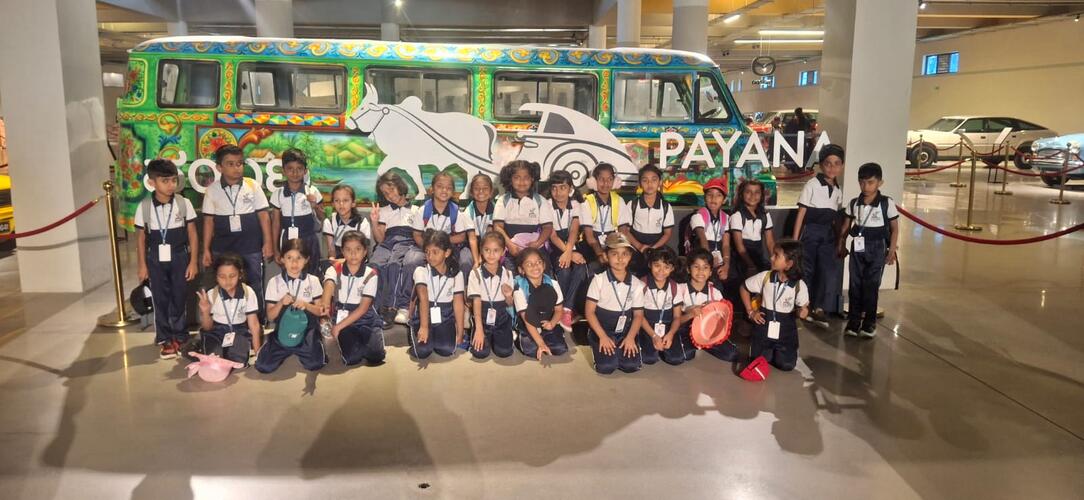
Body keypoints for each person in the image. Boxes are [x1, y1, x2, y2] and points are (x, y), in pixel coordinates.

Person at [201, 144, 273, 322]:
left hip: (250, 246)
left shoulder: (252, 185)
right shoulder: (212, 190)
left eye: (239, 163)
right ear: (219, 167)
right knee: (225, 283)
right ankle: (227, 322)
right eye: (230, 164)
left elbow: (264, 216)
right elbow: (208, 222)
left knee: (254, 283)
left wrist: (268, 242)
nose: (236, 168)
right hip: (222, 247)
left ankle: (257, 322)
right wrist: (207, 249)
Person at [135, 158, 198, 359]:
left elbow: (192, 234)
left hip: (180, 255)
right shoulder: (144, 206)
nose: (171, 185)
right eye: (165, 181)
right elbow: (141, 238)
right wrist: (142, 265)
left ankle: (180, 335)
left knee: (179, 296)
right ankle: (164, 338)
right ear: (151, 182)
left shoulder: (183, 203)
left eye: (173, 180)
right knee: (160, 298)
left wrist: (193, 261)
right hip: (155, 258)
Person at [837, 162, 899, 338]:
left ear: (880, 182)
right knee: (855, 284)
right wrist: (841, 244)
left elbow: (895, 228)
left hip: (877, 247)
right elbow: (845, 227)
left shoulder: (886, 203)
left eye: (870, 182)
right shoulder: (854, 203)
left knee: (871, 285)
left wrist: (891, 250)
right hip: (858, 247)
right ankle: (854, 321)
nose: (866, 187)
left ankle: (869, 323)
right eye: (862, 182)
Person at [255, 238, 328, 373]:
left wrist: (306, 305)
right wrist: (281, 303)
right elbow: (270, 316)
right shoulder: (274, 282)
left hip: (307, 330)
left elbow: (320, 311)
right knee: (263, 366)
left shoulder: (313, 280)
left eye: (299, 258)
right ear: (282, 259)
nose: (294, 263)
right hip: (283, 330)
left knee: (315, 364)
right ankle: (273, 342)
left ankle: (314, 342)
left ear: (306, 260)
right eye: (289, 258)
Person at [793, 144, 845, 327]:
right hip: (810, 232)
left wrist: (839, 240)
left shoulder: (838, 190)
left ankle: (820, 308)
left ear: (842, 166)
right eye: (828, 163)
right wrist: (795, 240)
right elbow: (801, 214)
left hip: (827, 235)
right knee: (807, 270)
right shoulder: (812, 185)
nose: (832, 167)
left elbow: (836, 219)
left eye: (837, 163)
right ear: (821, 165)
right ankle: (804, 306)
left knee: (827, 270)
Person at [740, 239, 809, 371]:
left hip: (786, 331)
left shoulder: (799, 285)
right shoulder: (765, 277)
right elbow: (744, 287)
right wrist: (751, 311)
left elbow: (803, 308)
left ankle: (780, 352)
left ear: (789, 264)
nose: (771, 258)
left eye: (776, 255)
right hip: (763, 327)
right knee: (757, 363)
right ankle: (766, 351)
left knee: (786, 365)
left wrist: (803, 312)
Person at [585, 233, 646, 374]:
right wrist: (602, 336)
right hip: (602, 330)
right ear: (606, 256)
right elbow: (589, 312)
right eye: (614, 254)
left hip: (625, 332)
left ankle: (622, 347)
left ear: (630, 256)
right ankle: (595, 341)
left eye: (625, 254)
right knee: (607, 367)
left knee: (631, 366)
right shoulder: (599, 280)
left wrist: (630, 337)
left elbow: (638, 315)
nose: (620, 258)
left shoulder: (637, 284)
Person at [322, 231, 384, 366]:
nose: (353, 254)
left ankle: (373, 333)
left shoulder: (371, 274)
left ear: (365, 251)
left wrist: (337, 328)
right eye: (348, 250)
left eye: (358, 249)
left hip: (365, 317)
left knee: (376, 356)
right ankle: (351, 341)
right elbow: (329, 284)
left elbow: (363, 309)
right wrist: (325, 305)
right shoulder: (334, 269)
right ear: (342, 252)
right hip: (343, 317)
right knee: (352, 358)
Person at [195, 253, 262, 367]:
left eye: (232, 275)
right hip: (216, 331)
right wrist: (205, 312)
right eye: (222, 276)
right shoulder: (211, 294)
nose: (227, 280)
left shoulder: (248, 292)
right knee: (214, 359)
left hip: (239, 331)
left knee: (239, 360)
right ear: (216, 276)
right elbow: (207, 327)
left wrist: (258, 353)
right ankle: (200, 348)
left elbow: (254, 325)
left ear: (240, 274)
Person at [408, 230, 465, 360]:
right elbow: (423, 298)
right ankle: (421, 335)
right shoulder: (421, 271)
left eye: (435, 252)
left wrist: (460, 331)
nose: (430, 256)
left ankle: (437, 337)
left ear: (447, 253)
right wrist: (424, 327)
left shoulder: (457, 275)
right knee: (422, 351)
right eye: (427, 252)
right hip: (424, 316)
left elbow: (458, 304)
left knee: (447, 349)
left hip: (445, 317)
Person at [369, 171, 417, 327]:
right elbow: (380, 239)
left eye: (391, 189)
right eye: (385, 193)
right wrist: (374, 222)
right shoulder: (384, 211)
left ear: (400, 186)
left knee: (394, 264)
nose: (389, 195)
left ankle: (392, 307)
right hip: (387, 242)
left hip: (406, 241)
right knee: (374, 265)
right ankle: (374, 308)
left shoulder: (416, 209)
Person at [546, 170, 588, 333]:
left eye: (563, 187)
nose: (558, 192)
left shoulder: (576, 204)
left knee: (581, 267)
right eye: (554, 188)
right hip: (554, 246)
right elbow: (552, 235)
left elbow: (574, 230)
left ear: (570, 188)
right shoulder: (546, 205)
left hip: (570, 244)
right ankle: (560, 307)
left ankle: (567, 309)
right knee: (563, 270)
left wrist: (570, 251)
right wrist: (567, 253)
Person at [409, 172, 473, 274]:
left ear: (453, 192)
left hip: (449, 247)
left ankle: (462, 284)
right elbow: (417, 234)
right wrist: (429, 248)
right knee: (411, 261)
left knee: (466, 261)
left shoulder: (456, 212)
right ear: (432, 189)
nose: (444, 190)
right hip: (426, 246)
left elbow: (461, 236)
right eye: (440, 186)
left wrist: (440, 245)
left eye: (449, 188)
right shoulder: (422, 211)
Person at [270, 148, 322, 274]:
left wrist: (314, 206)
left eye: (299, 168)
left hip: (309, 240)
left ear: (305, 171)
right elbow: (275, 224)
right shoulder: (278, 194)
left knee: (312, 275)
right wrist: (275, 250)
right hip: (287, 240)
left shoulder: (312, 191)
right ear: (283, 170)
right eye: (290, 168)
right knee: (290, 274)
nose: (295, 172)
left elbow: (323, 218)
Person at [493, 160, 553, 267]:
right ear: (510, 179)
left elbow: (547, 227)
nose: (522, 182)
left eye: (526, 177)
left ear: (532, 179)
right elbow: (497, 226)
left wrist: (537, 243)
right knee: (510, 274)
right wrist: (510, 245)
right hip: (511, 249)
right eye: (517, 177)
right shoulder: (503, 201)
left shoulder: (540, 201)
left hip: (535, 248)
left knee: (542, 273)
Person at [512, 247, 569, 360]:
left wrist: (552, 323)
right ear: (521, 270)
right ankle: (518, 336)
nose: (535, 266)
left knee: (560, 349)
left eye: (538, 262)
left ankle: (548, 336)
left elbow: (558, 310)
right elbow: (527, 320)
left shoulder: (553, 284)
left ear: (544, 264)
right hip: (528, 323)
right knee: (531, 350)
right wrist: (541, 344)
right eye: (529, 264)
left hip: (546, 321)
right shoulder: (519, 288)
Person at [466, 232, 516, 359]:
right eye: (487, 250)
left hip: (502, 319)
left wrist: (508, 296)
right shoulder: (475, 274)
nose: (491, 254)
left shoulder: (508, 274)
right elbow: (476, 301)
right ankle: (480, 333)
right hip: (482, 319)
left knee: (504, 352)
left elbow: (510, 304)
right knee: (480, 353)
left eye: (496, 250)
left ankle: (504, 335)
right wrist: (479, 329)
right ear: (481, 251)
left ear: (503, 251)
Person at [674, 249, 728, 364]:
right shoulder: (679, 289)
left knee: (731, 354)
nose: (701, 271)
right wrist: (690, 314)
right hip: (685, 330)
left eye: (705, 267)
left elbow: (722, 321)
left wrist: (713, 310)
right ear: (688, 269)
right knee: (683, 356)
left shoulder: (715, 293)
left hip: (708, 332)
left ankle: (704, 344)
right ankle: (695, 345)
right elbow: (675, 320)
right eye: (696, 267)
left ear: (711, 271)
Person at [622, 164, 675, 277]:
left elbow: (667, 233)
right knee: (635, 275)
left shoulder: (665, 206)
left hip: (657, 247)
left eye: (654, 180)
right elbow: (625, 231)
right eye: (645, 180)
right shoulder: (632, 204)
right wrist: (639, 246)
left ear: (660, 182)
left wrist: (653, 249)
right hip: (635, 247)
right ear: (640, 183)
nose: (649, 184)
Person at [581, 163, 631, 274]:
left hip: (614, 240)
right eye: (601, 179)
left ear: (615, 181)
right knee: (594, 266)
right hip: (592, 244)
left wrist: (615, 250)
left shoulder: (619, 200)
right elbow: (590, 237)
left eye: (610, 179)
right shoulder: (587, 202)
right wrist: (600, 253)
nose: (606, 183)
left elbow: (623, 231)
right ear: (594, 181)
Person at [638, 247, 683, 366]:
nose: (661, 271)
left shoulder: (675, 287)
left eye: (666, 267)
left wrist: (671, 334)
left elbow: (677, 317)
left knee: (676, 359)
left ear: (672, 268)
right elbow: (639, 316)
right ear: (650, 264)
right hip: (647, 327)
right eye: (657, 265)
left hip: (667, 327)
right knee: (649, 359)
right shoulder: (641, 285)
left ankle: (664, 349)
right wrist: (653, 335)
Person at [729, 178, 775, 280]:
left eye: (757, 192)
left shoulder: (765, 214)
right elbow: (739, 246)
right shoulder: (737, 215)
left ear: (762, 195)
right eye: (748, 192)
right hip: (741, 259)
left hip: (759, 257)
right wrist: (751, 266)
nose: (753, 196)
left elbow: (770, 242)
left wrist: (774, 260)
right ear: (742, 194)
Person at [688, 177, 731, 283]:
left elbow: (726, 244)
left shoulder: (726, 218)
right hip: (702, 254)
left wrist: (726, 265)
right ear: (704, 197)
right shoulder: (698, 216)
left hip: (719, 254)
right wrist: (710, 262)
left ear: (724, 200)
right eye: (709, 195)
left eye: (718, 195)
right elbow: (703, 240)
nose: (713, 198)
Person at [323, 184, 372, 259]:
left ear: (353, 203)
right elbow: (331, 250)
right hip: (338, 259)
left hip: (357, 258)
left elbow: (364, 250)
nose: (341, 204)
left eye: (345, 200)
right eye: (337, 200)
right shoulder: (329, 222)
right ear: (332, 204)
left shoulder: (362, 223)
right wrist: (333, 261)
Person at [463, 173, 495, 268]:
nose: (481, 191)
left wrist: (482, 255)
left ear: (491, 192)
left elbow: (490, 234)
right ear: (471, 192)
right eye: (476, 189)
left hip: (490, 243)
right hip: (471, 245)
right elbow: (472, 238)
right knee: (465, 261)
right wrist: (477, 261)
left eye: (485, 188)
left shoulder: (496, 209)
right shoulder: (468, 211)